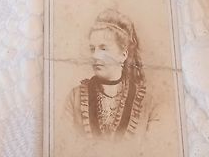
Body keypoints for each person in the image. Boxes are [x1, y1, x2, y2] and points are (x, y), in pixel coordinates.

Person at [60, 10, 158, 157]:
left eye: (103, 48)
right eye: (92, 49)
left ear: (123, 55)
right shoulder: (75, 98)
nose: (95, 55)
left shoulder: (146, 103)